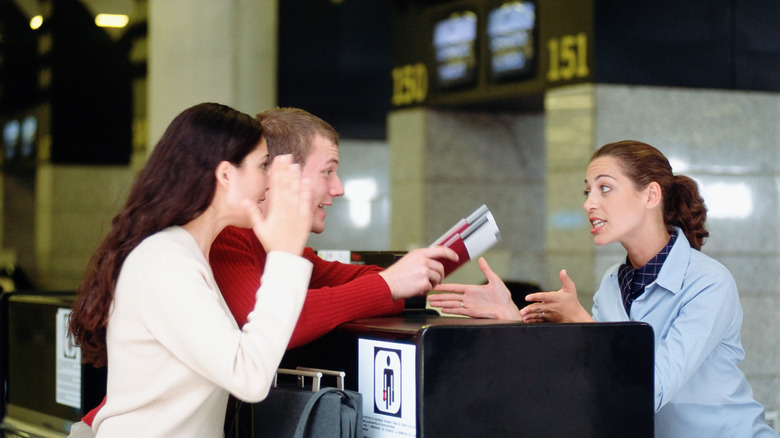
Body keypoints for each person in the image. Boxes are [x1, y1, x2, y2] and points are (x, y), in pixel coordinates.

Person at [428, 140, 778, 437]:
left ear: (650, 194)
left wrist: (580, 321)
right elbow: (584, 377)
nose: (588, 203)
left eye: (604, 188)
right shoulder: (614, 282)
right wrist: (512, 321)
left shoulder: (708, 283)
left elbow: (649, 390)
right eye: (587, 191)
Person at [67, 102, 315, 437]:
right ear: (226, 174)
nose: (269, 182)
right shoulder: (164, 261)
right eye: (263, 165)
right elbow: (249, 376)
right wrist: (284, 256)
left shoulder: (179, 254)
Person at [210, 107, 458, 344]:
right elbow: (274, 323)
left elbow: (358, 282)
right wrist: (389, 285)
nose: (338, 189)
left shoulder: (278, 248)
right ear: (282, 171)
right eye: (327, 171)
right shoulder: (225, 235)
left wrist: (410, 281)